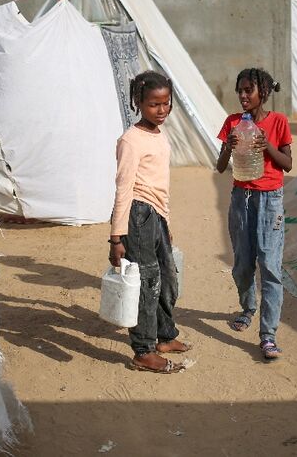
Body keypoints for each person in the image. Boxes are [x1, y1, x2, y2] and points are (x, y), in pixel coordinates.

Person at [109, 70, 191, 373]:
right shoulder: (130, 140)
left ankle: (164, 335)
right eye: (154, 104)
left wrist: (166, 223)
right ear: (138, 103)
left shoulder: (159, 134)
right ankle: (142, 350)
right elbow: (123, 189)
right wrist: (116, 238)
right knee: (146, 283)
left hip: (156, 216)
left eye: (166, 103)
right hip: (137, 217)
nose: (161, 110)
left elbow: (161, 184)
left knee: (167, 277)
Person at [216, 68, 293, 361]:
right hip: (241, 199)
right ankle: (248, 307)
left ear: (264, 92)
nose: (243, 96)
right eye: (240, 90)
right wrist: (229, 148)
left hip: (270, 200)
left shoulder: (279, 121)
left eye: (249, 90)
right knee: (243, 264)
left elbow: (287, 164)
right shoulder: (233, 122)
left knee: (270, 266)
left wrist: (267, 146)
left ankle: (268, 334)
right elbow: (222, 166)